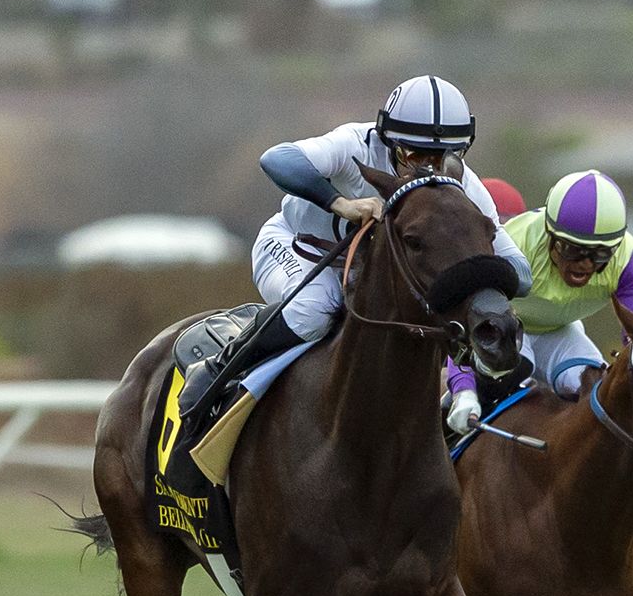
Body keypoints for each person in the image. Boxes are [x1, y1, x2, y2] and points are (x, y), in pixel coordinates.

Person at [176, 75, 529, 439]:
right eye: (413, 155)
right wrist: (340, 203)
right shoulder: (353, 144)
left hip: (365, 277)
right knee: (315, 309)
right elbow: (276, 159)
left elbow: (521, 272)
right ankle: (219, 369)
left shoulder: (462, 185)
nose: (428, 169)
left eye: (442, 157)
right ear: (386, 139)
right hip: (302, 251)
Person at [443, 168, 633, 435]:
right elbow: (464, 318)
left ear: (615, 247)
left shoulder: (629, 262)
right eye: (572, 249)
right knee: (515, 364)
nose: (584, 264)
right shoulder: (514, 246)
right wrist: (462, 388)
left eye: (599, 254)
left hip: (560, 332)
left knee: (596, 387)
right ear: (549, 234)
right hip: (507, 328)